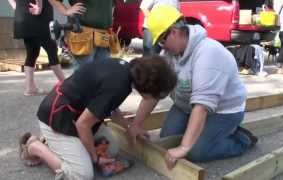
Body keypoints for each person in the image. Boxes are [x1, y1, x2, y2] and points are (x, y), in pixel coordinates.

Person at [126, 5, 257, 170]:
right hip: (186, 106)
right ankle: (204, 131)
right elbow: (156, 91)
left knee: (196, 152)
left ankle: (241, 139)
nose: (161, 46)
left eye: (161, 40)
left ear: (173, 31)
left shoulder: (208, 54)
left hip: (223, 111)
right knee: (167, 139)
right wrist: (137, 124)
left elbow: (202, 106)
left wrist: (185, 147)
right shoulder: (168, 55)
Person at [18, 55, 177, 179]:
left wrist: (130, 129)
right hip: (57, 117)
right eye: (156, 94)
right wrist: (95, 158)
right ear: (149, 87)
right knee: (82, 174)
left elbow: (111, 107)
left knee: (112, 149)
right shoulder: (119, 85)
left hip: (75, 114)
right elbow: (83, 125)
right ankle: (35, 147)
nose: (154, 99)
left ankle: (51, 141)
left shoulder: (125, 70)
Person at [8, 0, 65, 96]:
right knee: (51, 50)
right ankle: (66, 85)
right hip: (38, 15)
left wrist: (17, 8)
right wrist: (39, 7)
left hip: (24, 15)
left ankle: (30, 88)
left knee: (32, 52)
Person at [48, 0, 116, 69]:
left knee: (102, 74)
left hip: (104, 36)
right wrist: (66, 11)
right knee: (83, 74)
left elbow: (112, 4)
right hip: (83, 34)